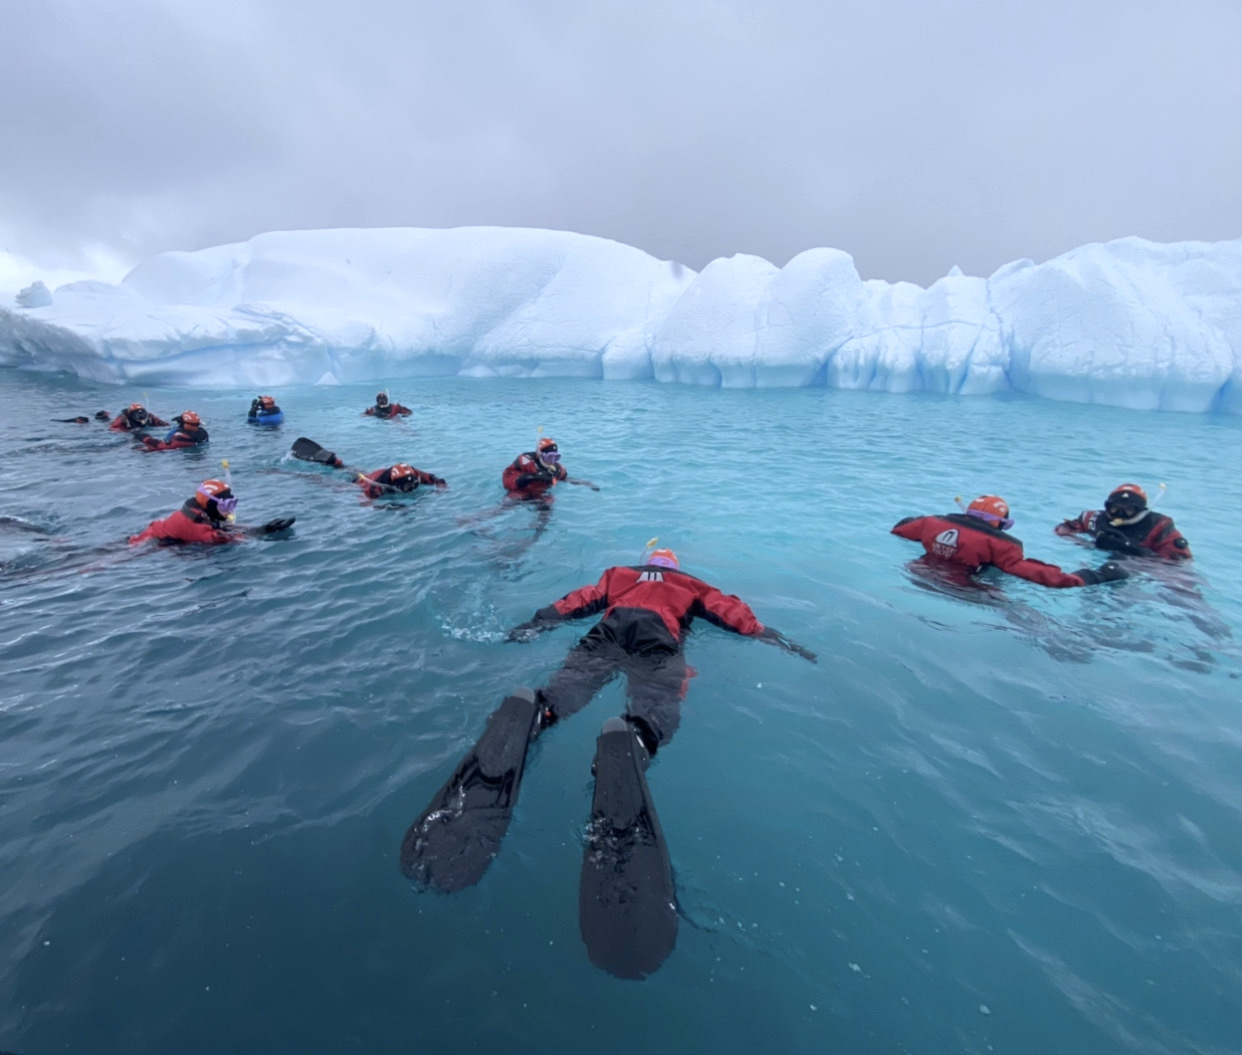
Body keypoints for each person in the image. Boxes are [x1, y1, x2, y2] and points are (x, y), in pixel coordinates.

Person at [508, 547, 815, 753]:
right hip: (657, 634)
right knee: (657, 696)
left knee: (577, 677)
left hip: (612, 627)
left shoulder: (620, 574)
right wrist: (770, 636)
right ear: (674, 568)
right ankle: (639, 735)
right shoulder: (690, 583)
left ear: (648, 562)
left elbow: (580, 599)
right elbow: (729, 611)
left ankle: (543, 709)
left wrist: (538, 621)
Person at [892, 495, 1128, 588]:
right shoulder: (1001, 545)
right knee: (1017, 611)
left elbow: (901, 530)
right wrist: (1092, 577)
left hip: (915, 575)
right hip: (962, 588)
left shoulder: (931, 523)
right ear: (1000, 523)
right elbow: (1036, 574)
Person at [129, 479, 295, 546]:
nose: (230, 509)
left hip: (154, 535)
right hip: (144, 546)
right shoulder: (198, 528)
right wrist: (265, 531)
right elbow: (228, 538)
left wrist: (262, 526)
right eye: (226, 504)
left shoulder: (201, 512)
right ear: (209, 504)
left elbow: (223, 526)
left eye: (233, 503)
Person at [1055, 483, 1192, 560]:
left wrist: (1133, 550)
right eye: (1115, 508)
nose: (1120, 514)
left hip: (1140, 569)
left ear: (1140, 510)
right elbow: (1062, 530)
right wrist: (1089, 544)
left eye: (1128, 510)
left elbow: (1179, 563)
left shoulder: (1159, 525)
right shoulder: (1093, 518)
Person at [502, 437, 598, 496]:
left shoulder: (557, 469)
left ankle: (539, 528)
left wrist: (586, 483)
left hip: (541, 494)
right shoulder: (526, 462)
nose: (552, 461)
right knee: (507, 504)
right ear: (541, 455)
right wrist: (531, 477)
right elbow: (507, 480)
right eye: (550, 457)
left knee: (547, 508)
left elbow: (565, 479)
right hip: (521, 491)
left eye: (556, 457)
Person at [357, 462, 448, 498]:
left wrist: (441, 488)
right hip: (364, 481)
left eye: (413, 485)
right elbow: (364, 501)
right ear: (397, 486)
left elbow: (436, 479)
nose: (412, 489)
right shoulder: (376, 486)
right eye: (408, 487)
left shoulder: (415, 474)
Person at [139, 411, 209, 451]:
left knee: (138, 449)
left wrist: (145, 438)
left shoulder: (181, 437)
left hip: (169, 451)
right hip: (196, 451)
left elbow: (161, 446)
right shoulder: (203, 433)